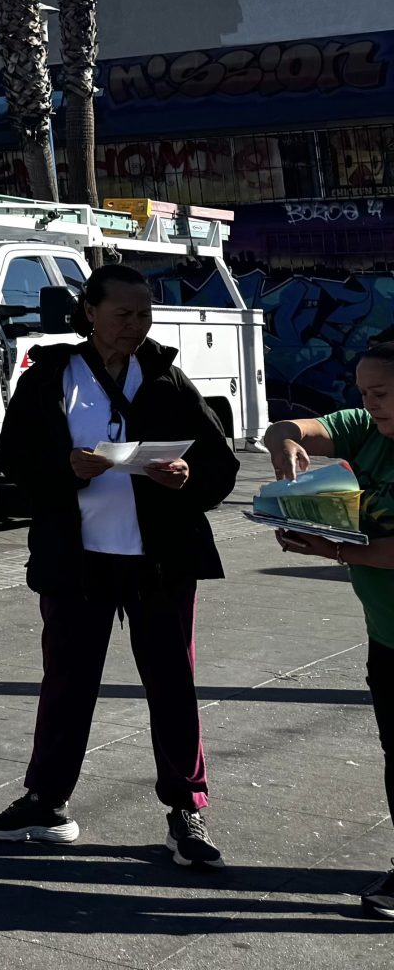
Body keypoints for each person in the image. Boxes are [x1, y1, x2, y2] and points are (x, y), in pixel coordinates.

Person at [0, 262, 236, 867]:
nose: (135, 326)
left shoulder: (167, 377)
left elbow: (218, 463)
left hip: (160, 561)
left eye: (144, 314)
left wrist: (185, 476)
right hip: (78, 561)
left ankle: (186, 811)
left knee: (173, 685)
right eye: (123, 314)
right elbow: (14, 455)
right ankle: (45, 802)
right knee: (67, 685)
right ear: (89, 313)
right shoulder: (50, 377)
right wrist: (64, 469)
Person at [260, 339, 394, 919]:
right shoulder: (367, 429)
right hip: (387, 633)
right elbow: (285, 427)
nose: (370, 404)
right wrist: (286, 444)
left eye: (382, 394)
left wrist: (336, 551)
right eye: (363, 393)